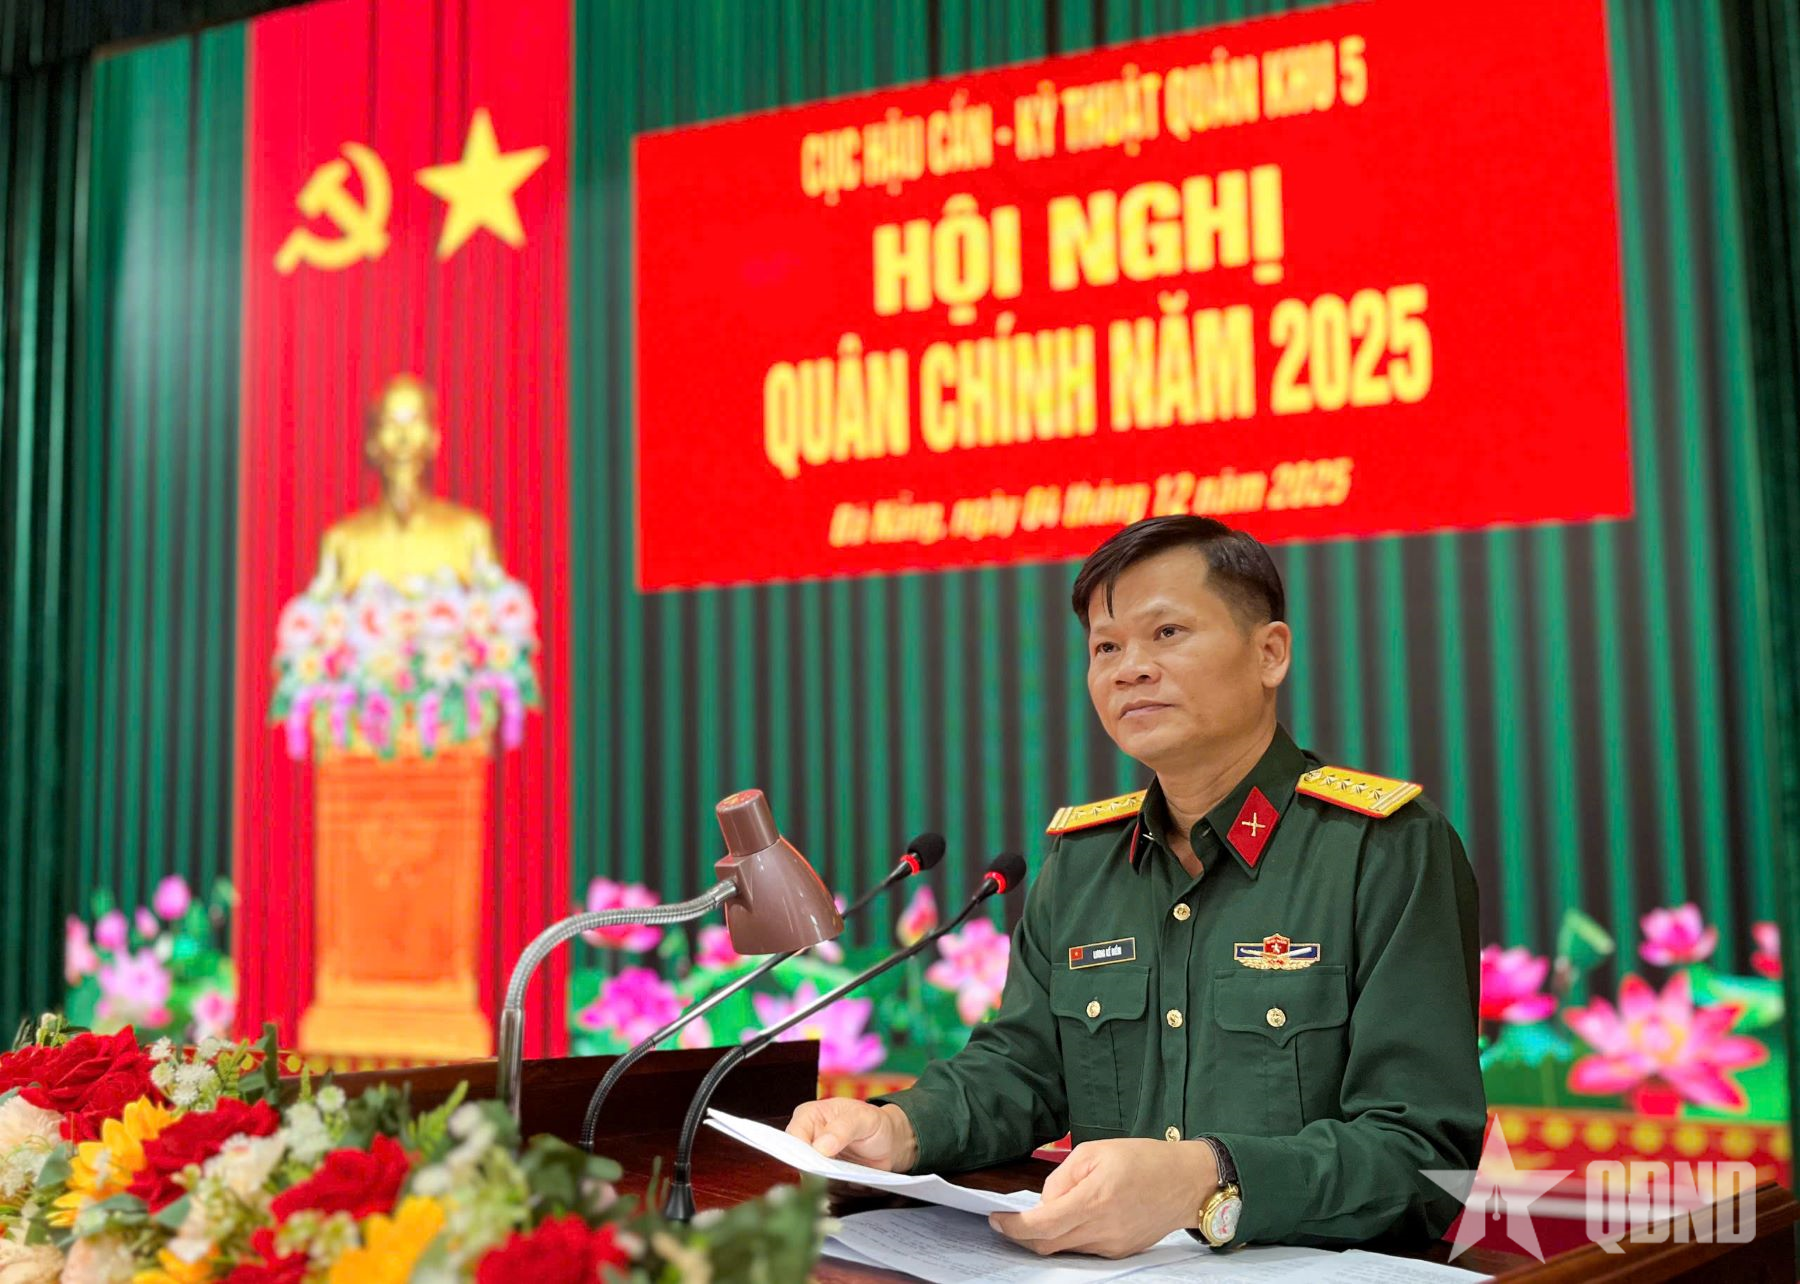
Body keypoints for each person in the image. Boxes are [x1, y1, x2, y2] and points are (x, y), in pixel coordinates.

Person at [786, 515, 1485, 1257]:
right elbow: (1022, 1071)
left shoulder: (1382, 849)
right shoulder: (1084, 862)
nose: (1130, 669)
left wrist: (1208, 1181)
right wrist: (899, 1127)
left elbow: (1425, 1154)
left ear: (1270, 653)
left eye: (1167, 633)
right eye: (1106, 647)